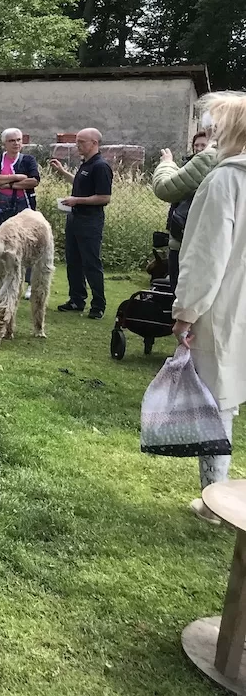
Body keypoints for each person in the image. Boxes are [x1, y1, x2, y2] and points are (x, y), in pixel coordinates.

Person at [172, 94, 246, 523]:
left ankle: (214, 501)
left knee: (215, 403)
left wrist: (187, 310)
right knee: (229, 398)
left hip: (222, 306)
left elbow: (206, 254)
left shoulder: (225, 181)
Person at [49, 127, 112, 318]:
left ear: (94, 143)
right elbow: (80, 182)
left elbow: (104, 197)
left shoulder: (101, 166)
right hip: (74, 219)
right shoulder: (86, 165)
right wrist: (62, 172)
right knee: (73, 261)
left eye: (81, 142)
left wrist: (77, 201)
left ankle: (98, 305)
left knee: (91, 262)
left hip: (90, 221)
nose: (78, 146)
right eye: (77, 142)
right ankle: (76, 299)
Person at [0, 127, 41, 299]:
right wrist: (16, 178)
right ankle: (7, 281)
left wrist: (7, 184)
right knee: (3, 245)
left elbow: (33, 181)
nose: (16, 143)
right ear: (4, 143)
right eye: (12, 141)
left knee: (27, 246)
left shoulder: (28, 160)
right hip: (0, 208)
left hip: (23, 208)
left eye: (19, 140)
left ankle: (29, 284)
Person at [152, 130, 214, 290]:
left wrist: (167, 163)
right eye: (196, 145)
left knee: (182, 293)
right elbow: (177, 204)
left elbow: (164, 188)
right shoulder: (190, 166)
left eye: (203, 145)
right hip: (183, 236)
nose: (199, 149)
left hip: (190, 240)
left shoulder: (206, 163)